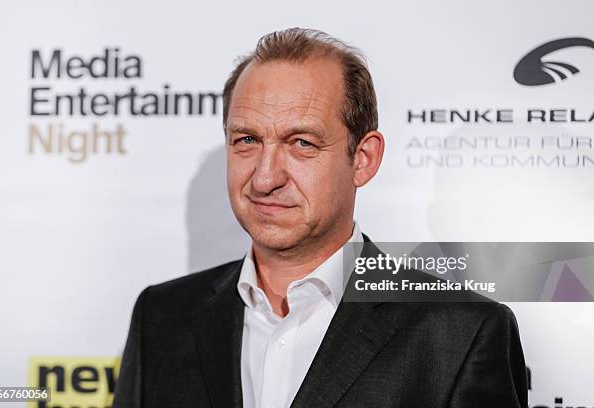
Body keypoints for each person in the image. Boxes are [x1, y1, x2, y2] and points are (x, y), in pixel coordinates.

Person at [113, 28, 528, 408]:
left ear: (363, 160)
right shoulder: (161, 317)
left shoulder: (460, 334)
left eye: (302, 143)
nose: (265, 177)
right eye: (247, 140)